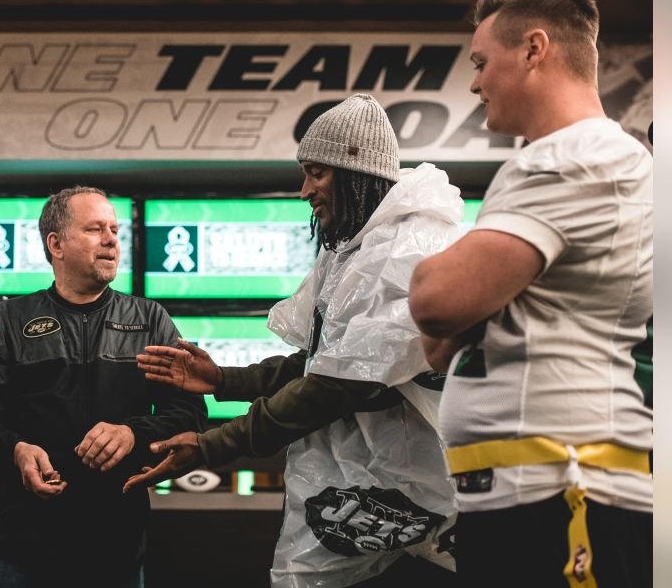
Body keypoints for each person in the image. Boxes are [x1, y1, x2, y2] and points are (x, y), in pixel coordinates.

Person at [127, 94, 464, 587]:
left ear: (356, 170)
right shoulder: (358, 245)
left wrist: (213, 445)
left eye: (317, 172)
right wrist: (224, 378)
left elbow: (336, 385)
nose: (304, 190)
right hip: (376, 492)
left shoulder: (401, 253)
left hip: (405, 501)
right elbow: (322, 362)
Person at [408, 0, 652, 588]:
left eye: (482, 63)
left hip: (560, 494)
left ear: (534, 49)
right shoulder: (586, 157)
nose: (474, 83)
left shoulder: (570, 158)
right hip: (540, 490)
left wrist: (437, 275)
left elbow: (436, 304)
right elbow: (438, 344)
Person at [0, 186, 206, 588]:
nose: (110, 239)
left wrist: (132, 433)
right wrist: (15, 451)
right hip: (18, 547)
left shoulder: (150, 319)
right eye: (94, 229)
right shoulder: (8, 320)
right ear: (55, 244)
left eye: (114, 230)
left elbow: (190, 413)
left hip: (115, 549)